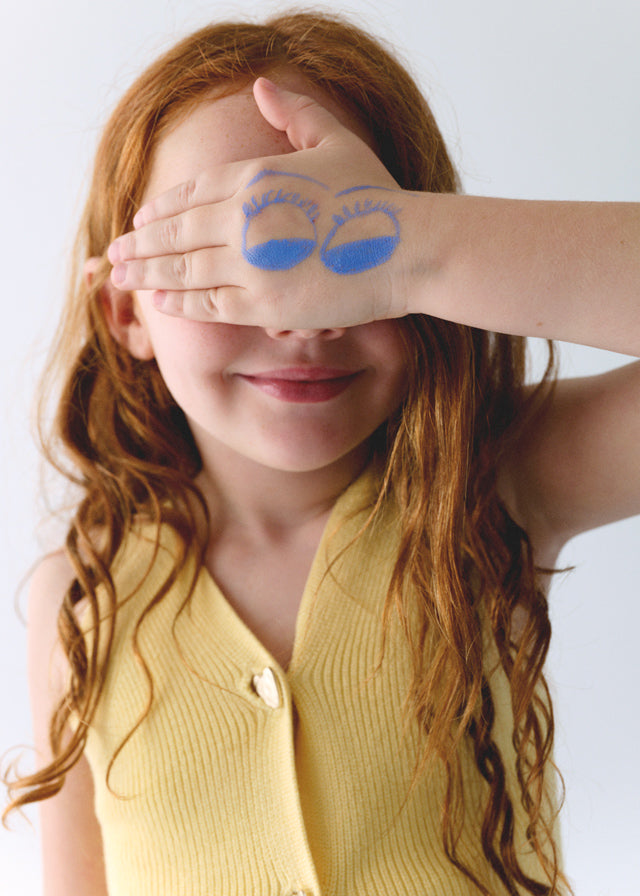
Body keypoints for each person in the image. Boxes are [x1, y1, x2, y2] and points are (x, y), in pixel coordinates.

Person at [3, 10, 639, 896]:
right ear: (126, 310)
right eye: (228, 258)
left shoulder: (497, 485)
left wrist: (414, 244)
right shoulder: (82, 599)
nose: (300, 314)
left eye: (342, 254)